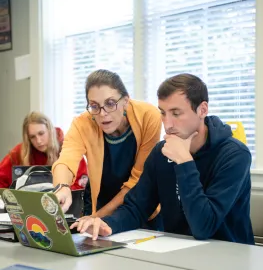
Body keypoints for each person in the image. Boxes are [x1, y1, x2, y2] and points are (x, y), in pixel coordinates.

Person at [71, 73, 254, 245]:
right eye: (163, 113)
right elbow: (136, 208)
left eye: (176, 113)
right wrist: (107, 224)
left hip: (228, 256)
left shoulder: (235, 155)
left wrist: (184, 162)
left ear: (202, 110)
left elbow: (203, 227)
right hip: (176, 254)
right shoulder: (161, 153)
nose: (167, 124)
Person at [52, 69, 162, 225]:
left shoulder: (148, 116)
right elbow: (66, 161)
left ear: (125, 101)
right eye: (94, 106)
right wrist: (62, 187)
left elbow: (137, 181)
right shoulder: (82, 123)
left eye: (110, 103)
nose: (102, 113)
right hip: (102, 206)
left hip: (141, 208)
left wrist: (96, 217)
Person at [0, 112, 87, 190]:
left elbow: (81, 185)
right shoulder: (19, 153)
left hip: (64, 203)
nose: (38, 141)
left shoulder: (68, 149)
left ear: (50, 130)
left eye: (41, 133)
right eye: (32, 137)